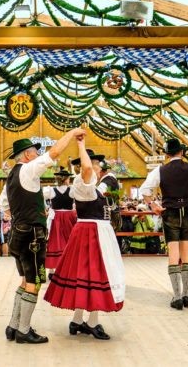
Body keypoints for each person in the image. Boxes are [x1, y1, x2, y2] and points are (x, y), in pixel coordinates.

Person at [0, 128, 85, 345]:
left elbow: (3, 205)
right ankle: (23, 331)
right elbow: (54, 153)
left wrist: (21, 212)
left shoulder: (11, 176)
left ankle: (14, 325)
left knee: (24, 281)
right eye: (35, 152)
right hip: (32, 236)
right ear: (27, 155)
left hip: (18, 234)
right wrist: (73, 133)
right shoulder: (28, 169)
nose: (38, 155)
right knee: (34, 282)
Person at [44, 138, 125, 341]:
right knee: (96, 275)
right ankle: (92, 322)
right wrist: (80, 145)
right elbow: (87, 169)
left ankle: (78, 320)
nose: (98, 168)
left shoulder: (89, 185)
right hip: (92, 232)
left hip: (92, 231)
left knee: (86, 275)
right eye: (95, 165)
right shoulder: (83, 183)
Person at [138, 139, 188, 310]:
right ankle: (186, 295)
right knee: (187, 256)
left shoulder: (159, 171)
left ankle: (176, 297)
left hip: (171, 213)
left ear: (166, 154)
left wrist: (154, 206)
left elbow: (144, 190)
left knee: (173, 256)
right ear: (181, 152)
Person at [42, 167, 76, 275]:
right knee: (68, 241)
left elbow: (41, 198)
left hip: (56, 217)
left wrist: (45, 209)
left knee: (54, 241)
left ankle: (52, 270)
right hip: (69, 217)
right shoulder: (72, 190)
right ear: (66, 179)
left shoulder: (51, 190)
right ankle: (68, 268)